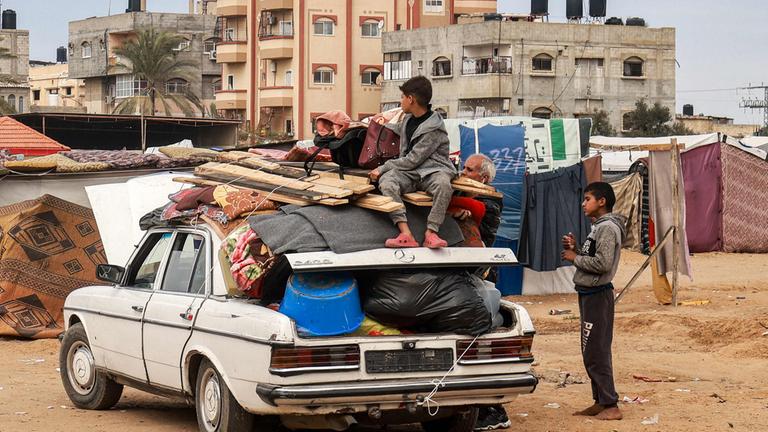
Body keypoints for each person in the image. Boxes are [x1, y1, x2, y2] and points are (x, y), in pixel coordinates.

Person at [561, 182, 626, 421]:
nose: (583, 203)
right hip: (589, 294)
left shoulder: (607, 227)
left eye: (587, 198)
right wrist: (577, 250)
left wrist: (574, 257)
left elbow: (603, 264)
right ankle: (600, 401)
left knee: (596, 351)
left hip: (598, 296)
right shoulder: (598, 227)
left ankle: (611, 404)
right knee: (591, 350)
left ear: (602, 201)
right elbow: (595, 257)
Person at [369, 76, 456, 248]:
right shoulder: (408, 119)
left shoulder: (433, 129)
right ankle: (405, 233)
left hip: (433, 170)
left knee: (443, 185)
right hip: (412, 172)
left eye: (402, 96)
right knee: (387, 182)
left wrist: (383, 168)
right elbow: (400, 135)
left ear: (411, 99)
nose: (400, 101)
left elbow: (412, 160)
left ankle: (431, 232)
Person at [457, 154, 510, 431]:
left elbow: (471, 209)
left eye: (468, 169)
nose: (462, 172)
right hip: (469, 277)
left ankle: (496, 410)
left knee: (480, 344)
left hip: (481, 277)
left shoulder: (489, 202)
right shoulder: (469, 195)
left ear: (484, 178)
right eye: (463, 167)